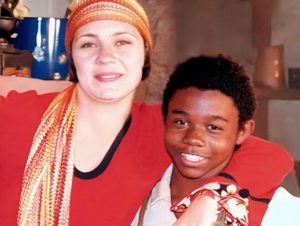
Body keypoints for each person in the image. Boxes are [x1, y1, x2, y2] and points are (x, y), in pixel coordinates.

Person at [0, 0, 293, 225]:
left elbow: (269, 157)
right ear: (72, 58)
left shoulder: (163, 128)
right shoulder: (18, 115)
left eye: (122, 42)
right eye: (88, 43)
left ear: (145, 55)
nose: (106, 57)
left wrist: (212, 197)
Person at [131, 54, 271, 226]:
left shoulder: (277, 212)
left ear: (242, 131)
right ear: (165, 120)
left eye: (213, 127)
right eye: (181, 122)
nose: (193, 139)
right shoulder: (134, 201)